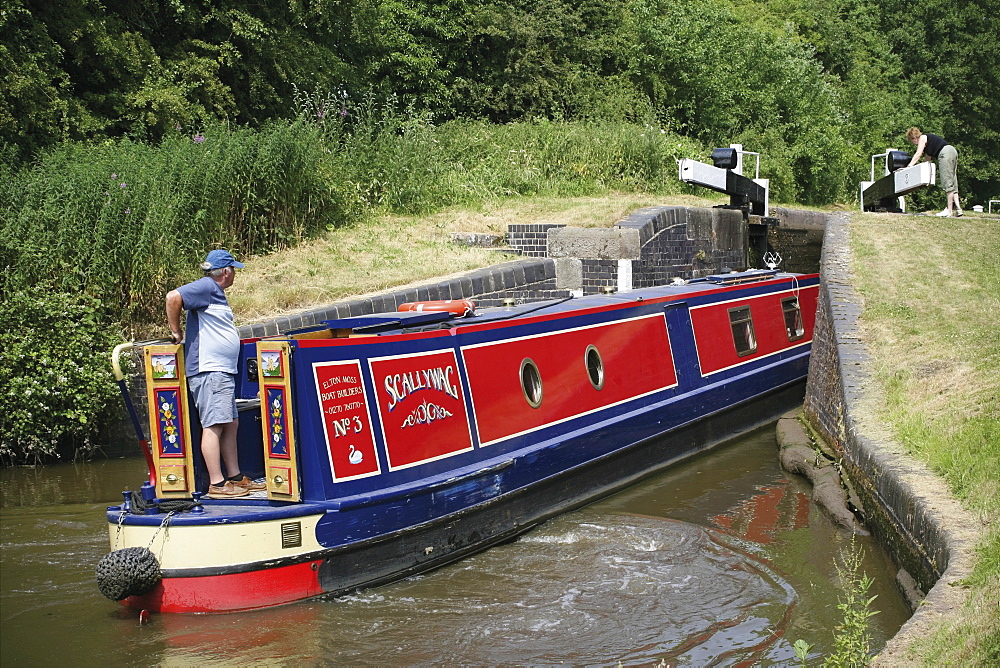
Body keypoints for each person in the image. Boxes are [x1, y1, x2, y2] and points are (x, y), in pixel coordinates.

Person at [165, 249, 266, 499]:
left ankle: (234, 477)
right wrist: (176, 331)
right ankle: (217, 484)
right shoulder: (206, 286)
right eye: (234, 271)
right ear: (226, 272)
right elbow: (173, 296)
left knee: (230, 423)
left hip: (221, 371)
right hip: (210, 370)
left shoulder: (213, 291)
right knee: (214, 425)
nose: (234, 276)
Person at [905, 127, 963, 217]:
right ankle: (959, 209)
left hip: (944, 154)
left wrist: (908, 167)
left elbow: (918, 154)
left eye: (911, 140)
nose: (913, 143)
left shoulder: (922, 138)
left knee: (946, 181)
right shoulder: (929, 144)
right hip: (952, 150)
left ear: (914, 138)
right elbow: (927, 161)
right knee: (952, 181)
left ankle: (949, 210)